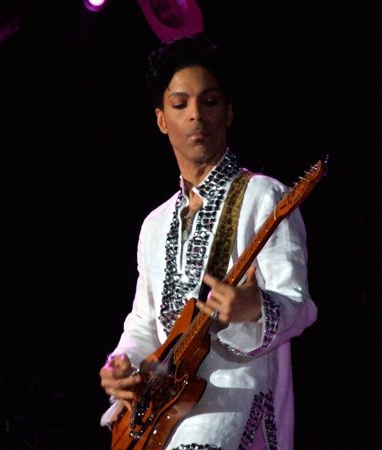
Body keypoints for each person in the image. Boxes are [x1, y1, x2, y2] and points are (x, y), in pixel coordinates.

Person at [99, 34, 317, 450]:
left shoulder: (264, 195)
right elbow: (144, 323)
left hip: (239, 391)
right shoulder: (155, 224)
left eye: (210, 102)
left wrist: (254, 306)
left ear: (229, 112)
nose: (196, 114)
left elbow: (299, 304)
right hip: (165, 404)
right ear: (162, 120)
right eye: (180, 104)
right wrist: (120, 365)